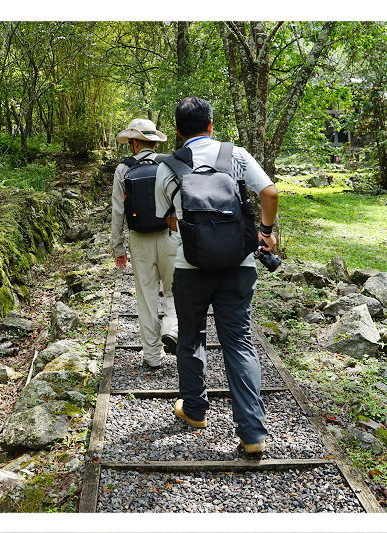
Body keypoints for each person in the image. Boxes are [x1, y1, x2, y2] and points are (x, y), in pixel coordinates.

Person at [154, 97, 279, 453]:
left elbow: (168, 219)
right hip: (238, 267)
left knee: (191, 336)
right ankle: (252, 432)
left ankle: (194, 410)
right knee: (238, 341)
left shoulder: (169, 166)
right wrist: (266, 232)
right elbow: (269, 192)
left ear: (178, 132)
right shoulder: (236, 155)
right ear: (211, 125)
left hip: (190, 268)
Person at [110, 118, 179, 369]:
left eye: (130, 142)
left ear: (136, 142)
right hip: (170, 236)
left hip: (139, 240)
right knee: (174, 291)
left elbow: (118, 212)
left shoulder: (123, 170)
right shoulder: (169, 164)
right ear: (153, 141)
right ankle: (172, 329)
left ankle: (152, 357)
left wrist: (118, 248)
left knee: (147, 298)